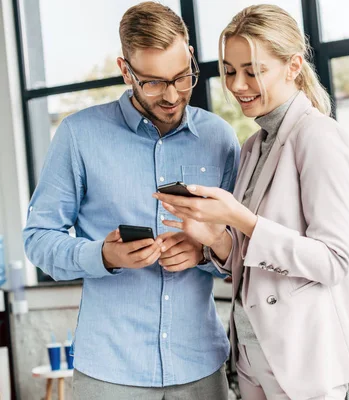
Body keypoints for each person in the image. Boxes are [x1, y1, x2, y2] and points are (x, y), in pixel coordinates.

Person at [154, 4, 349, 399]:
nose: (237, 85)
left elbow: (333, 261)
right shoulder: (252, 146)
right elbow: (248, 257)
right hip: (252, 351)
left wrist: (240, 218)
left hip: (303, 357)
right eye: (229, 71)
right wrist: (214, 237)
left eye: (253, 71)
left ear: (293, 65)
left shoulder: (318, 137)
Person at [22, 2, 239, 399]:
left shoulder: (220, 139)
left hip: (200, 369)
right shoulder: (78, 136)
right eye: (154, 82)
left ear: (191, 57)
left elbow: (241, 251)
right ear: (126, 71)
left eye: (182, 77)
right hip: (110, 372)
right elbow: (37, 239)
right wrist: (104, 257)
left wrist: (205, 252)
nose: (173, 96)